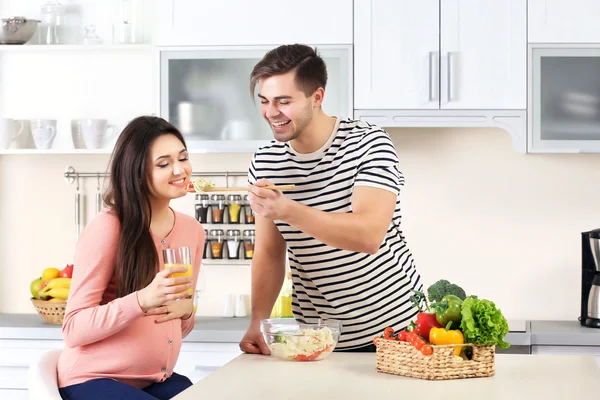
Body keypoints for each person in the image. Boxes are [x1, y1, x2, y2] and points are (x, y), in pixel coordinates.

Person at [239, 44, 423, 353]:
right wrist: (259, 320)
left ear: (317, 97)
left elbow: (368, 235)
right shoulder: (266, 161)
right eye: (264, 101)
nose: (271, 112)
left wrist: (287, 209)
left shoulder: (368, 143)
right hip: (320, 337)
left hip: (397, 330)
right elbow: (270, 252)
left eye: (284, 101)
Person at [57, 116, 205, 400]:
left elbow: (179, 326)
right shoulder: (108, 227)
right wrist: (141, 300)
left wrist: (186, 311)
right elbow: (73, 328)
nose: (180, 170)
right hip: (91, 379)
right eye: (164, 163)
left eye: (183, 158)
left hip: (153, 379)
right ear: (138, 174)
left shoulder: (192, 230)